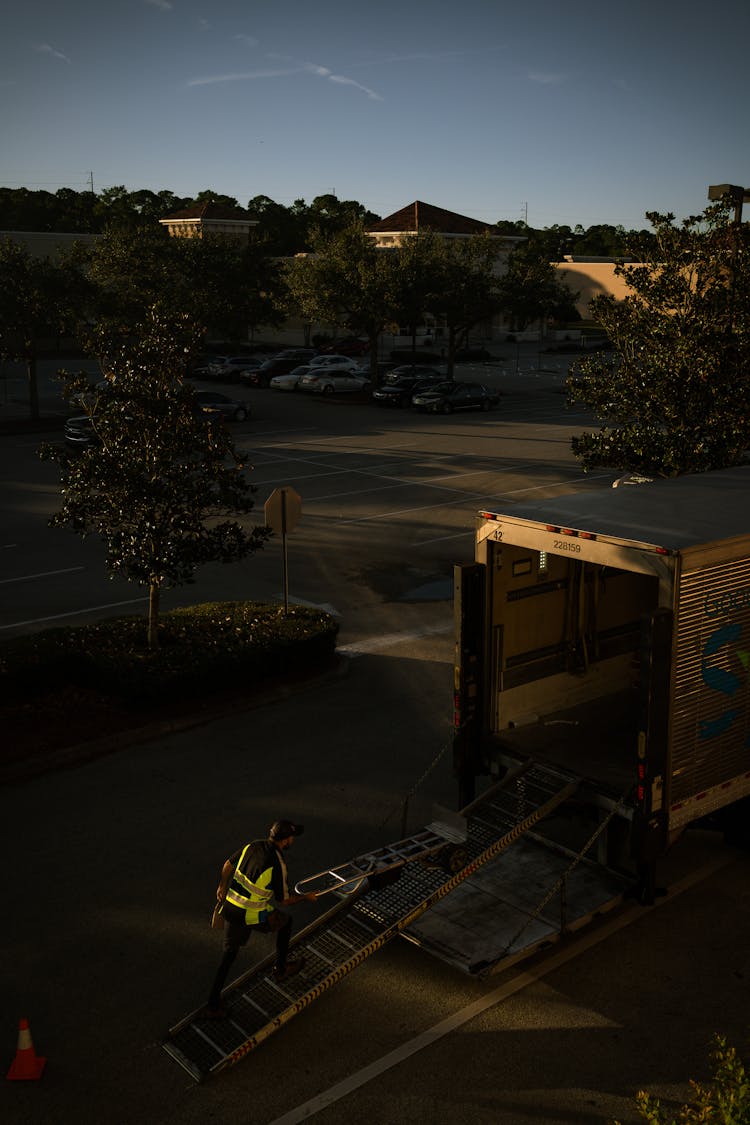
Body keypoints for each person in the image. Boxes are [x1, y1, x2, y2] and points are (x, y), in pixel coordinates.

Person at [205, 819, 316, 1018]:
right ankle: (281, 969)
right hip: (251, 914)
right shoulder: (277, 863)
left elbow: (227, 865)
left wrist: (222, 885)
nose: (293, 840)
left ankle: (212, 1006)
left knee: (228, 956)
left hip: (231, 907)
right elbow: (285, 900)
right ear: (286, 840)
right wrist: (306, 897)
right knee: (286, 922)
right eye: (292, 837)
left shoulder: (252, 845)